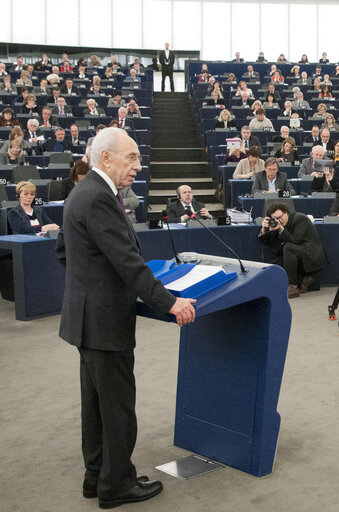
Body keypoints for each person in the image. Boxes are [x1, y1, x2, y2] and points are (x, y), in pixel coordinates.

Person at [55, 128, 196, 508]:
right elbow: (127, 262)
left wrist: (92, 283)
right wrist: (170, 302)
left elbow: (65, 253)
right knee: (117, 408)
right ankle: (117, 485)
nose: (138, 165)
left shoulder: (80, 192)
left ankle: (96, 476)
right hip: (104, 322)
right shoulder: (99, 197)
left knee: (96, 405)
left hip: (86, 320)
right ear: (105, 159)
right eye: (131, 157)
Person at [258, 201, 324, 298]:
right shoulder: (277, 224)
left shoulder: (300, 218)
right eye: (275, 219)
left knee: (288, 247)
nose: (279, 220)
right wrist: (264, 229)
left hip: (310, 254)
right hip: (293, 254)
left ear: (286, 213)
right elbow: (266, 241)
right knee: (273, 267)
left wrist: (280, 228)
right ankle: (302, 281)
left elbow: (296, 240)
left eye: (280, 217)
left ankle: (292, 288)